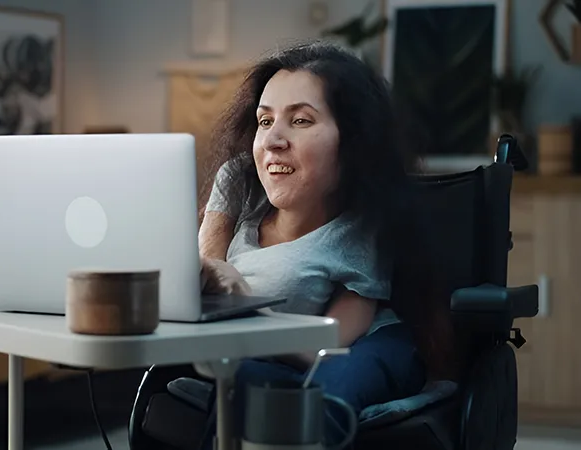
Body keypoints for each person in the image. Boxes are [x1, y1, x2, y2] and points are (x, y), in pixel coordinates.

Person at [195, 40, 456, 447]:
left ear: (353, 142)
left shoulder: (362, 224)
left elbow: (329, 344)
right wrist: (215, 287)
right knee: (239, 381)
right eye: (265, 122)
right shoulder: (237, 182)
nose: (272, 140)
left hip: (359, 346)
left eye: (300, 121)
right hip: (270, 356)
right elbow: (207, 272)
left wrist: (247, 322)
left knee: (322, 396)